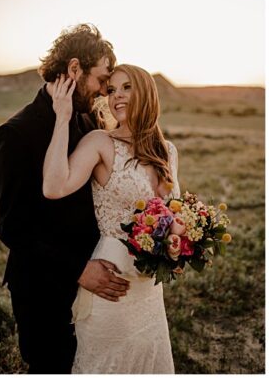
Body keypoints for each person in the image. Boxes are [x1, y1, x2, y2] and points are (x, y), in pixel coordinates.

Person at [0, 23, 125, 373]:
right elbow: (12, 227)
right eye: (100, 79)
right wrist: (79, 269)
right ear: (75, 69)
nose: (102, 90)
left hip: (92, 280)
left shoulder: (84, 119)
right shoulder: (16, 133)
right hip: (42, 289)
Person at [42, 64, 176, 373]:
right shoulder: (100, 142)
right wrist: (62, 118)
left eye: (127, 88)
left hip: (149, 289)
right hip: (110, 282)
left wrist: (179, 246)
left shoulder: (167, 151)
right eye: (112, 90)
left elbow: (171, 215)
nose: (117, 97)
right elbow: (54, 186)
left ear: (146, 93)